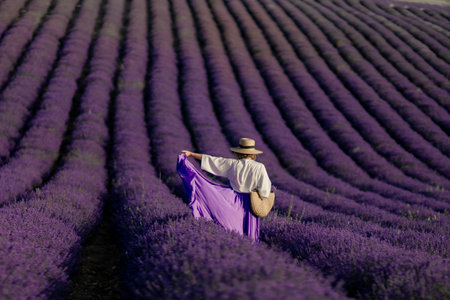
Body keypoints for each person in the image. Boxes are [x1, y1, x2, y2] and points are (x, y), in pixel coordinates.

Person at [177, 138, 271, 242]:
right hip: (251, 203)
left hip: (233, 200)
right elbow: (265, 191)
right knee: (249, 236)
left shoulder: (233, 164)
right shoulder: (259, 167)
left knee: (234, 231)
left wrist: (191, 154)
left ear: (239, 152)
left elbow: (212, 161)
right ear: (253, 153)